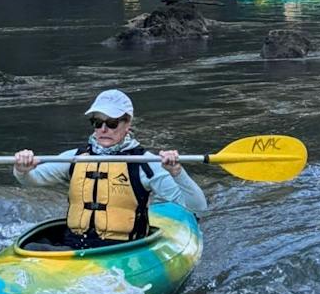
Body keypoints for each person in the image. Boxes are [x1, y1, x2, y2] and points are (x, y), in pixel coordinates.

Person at [12, 90, 208, 249]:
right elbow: (32, 180)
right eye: (98, 123)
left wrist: (177, 173)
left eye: (112, 123)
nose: (103, 129)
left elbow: (197, 207)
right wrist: (22, 169)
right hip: (74, 246)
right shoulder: (75, 158)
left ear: (127, 124)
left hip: (123, 249)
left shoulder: (145, 163)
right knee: (34, 247)